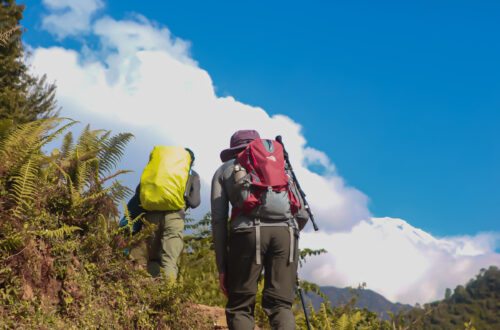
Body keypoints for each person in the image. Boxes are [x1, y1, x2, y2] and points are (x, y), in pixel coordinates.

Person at [211, 130, 308, 329]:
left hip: (247, 234)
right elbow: (302, 213)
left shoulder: (224, 170)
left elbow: (218, 221)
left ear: (233, 150)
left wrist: (223, 267)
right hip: (286, 233)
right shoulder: (280, 166)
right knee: (281, 305)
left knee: (240, 305)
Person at [129, 147, 201, 280]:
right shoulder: (192, 175)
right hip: (175, 216)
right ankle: (167, 296)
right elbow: (195, 201)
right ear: (190, 161)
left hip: (151, 215)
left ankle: (148, 294)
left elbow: (139, 192)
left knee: (151, 259)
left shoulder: (155, 171)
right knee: (169, 259)